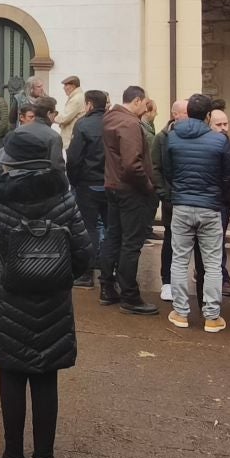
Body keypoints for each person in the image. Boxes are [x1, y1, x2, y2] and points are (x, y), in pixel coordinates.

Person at [0, 123, 87, 458]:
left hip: (7, 304)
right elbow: (83, 258)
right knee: (46, 379)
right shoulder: (64, 198)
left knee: (13, 378)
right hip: (52, 305)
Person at [158, 93, 230, 332]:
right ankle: (212, 316)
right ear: (209, 115)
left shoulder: (173, 138)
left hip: (181, 204)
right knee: (212, 263)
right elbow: (228, 176)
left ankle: (180, 313)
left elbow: (168, 171)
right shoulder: (219, 141)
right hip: (210, 206)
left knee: (179, 260)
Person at [101, 87, 159, 315]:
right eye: (144, 104)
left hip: (113, 186)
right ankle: (130, 296)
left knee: (113, 237)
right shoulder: (130, 124)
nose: (146, 109)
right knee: (131, 243)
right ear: (136, 101)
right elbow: (132, 164)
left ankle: (107, 287)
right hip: (130, 190)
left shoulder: (110, 117)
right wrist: (148, 186)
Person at [64, 90, 110, 290]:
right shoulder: (113, 123)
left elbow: (74, 158)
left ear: (90, 104)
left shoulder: (83, 124)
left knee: (88, 229)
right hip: (110, 183)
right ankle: (109, 272)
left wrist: (74, 180)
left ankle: (86, 274)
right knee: (111, 229)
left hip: (88, 184)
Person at [55, 75, 84, 147]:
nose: (64, 88)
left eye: (66, 85)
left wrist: (53, 118)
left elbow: (65, 118)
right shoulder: (77, 96)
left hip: (71, 137)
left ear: (73, 86)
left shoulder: (76, 99)